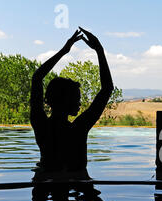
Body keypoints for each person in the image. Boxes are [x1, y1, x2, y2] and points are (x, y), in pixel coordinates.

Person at [30, 27, 114, 181]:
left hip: (46, 184)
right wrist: (99, 51)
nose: (80, 103)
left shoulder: (41, 125)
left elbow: (37, 78)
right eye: (77, 99)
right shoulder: (78, 129)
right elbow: (107, 89)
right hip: (78, 189)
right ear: (65, 101)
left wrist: (64, 51)